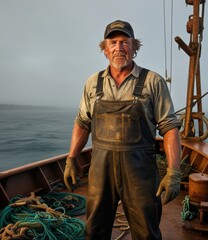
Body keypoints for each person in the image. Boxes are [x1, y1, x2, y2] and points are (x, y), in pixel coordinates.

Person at [64, 20, 182, 240]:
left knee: (146, 231)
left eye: (125, 42)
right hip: (100, 170)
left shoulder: (152, 82)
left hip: (140, 171)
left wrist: (173, 172)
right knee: (94, 230)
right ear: (105, 49)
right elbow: (82, 122)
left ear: (134, 47)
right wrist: (71, 159)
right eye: (113, 42)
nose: (119, 48)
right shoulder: (92, 83)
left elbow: (169, 127)